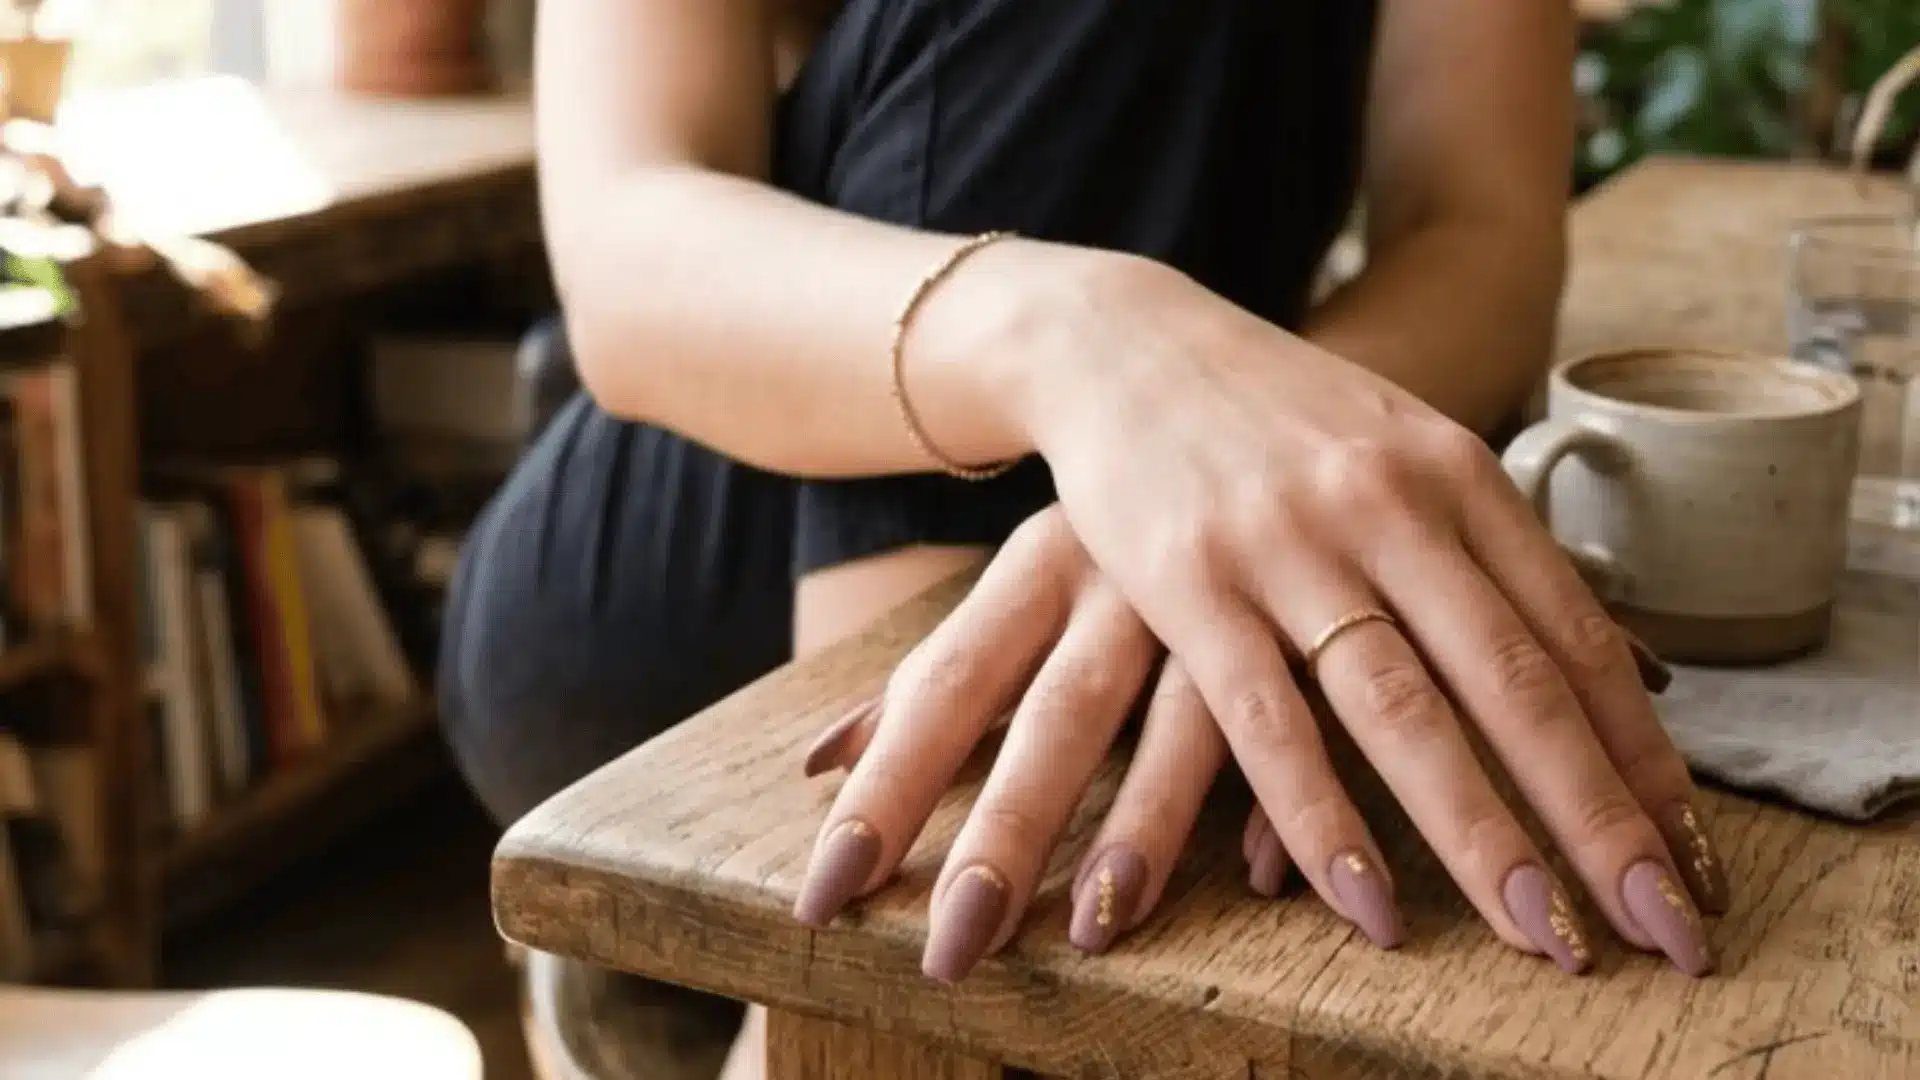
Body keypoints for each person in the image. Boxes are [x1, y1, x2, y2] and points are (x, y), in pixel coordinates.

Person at [440, 0, 1733, 1072]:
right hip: (683, 557)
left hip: (1143, 507)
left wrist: (1245, 455)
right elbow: (626, 241)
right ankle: (839, 990)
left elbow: (1481, 233)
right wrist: (1088, 336)